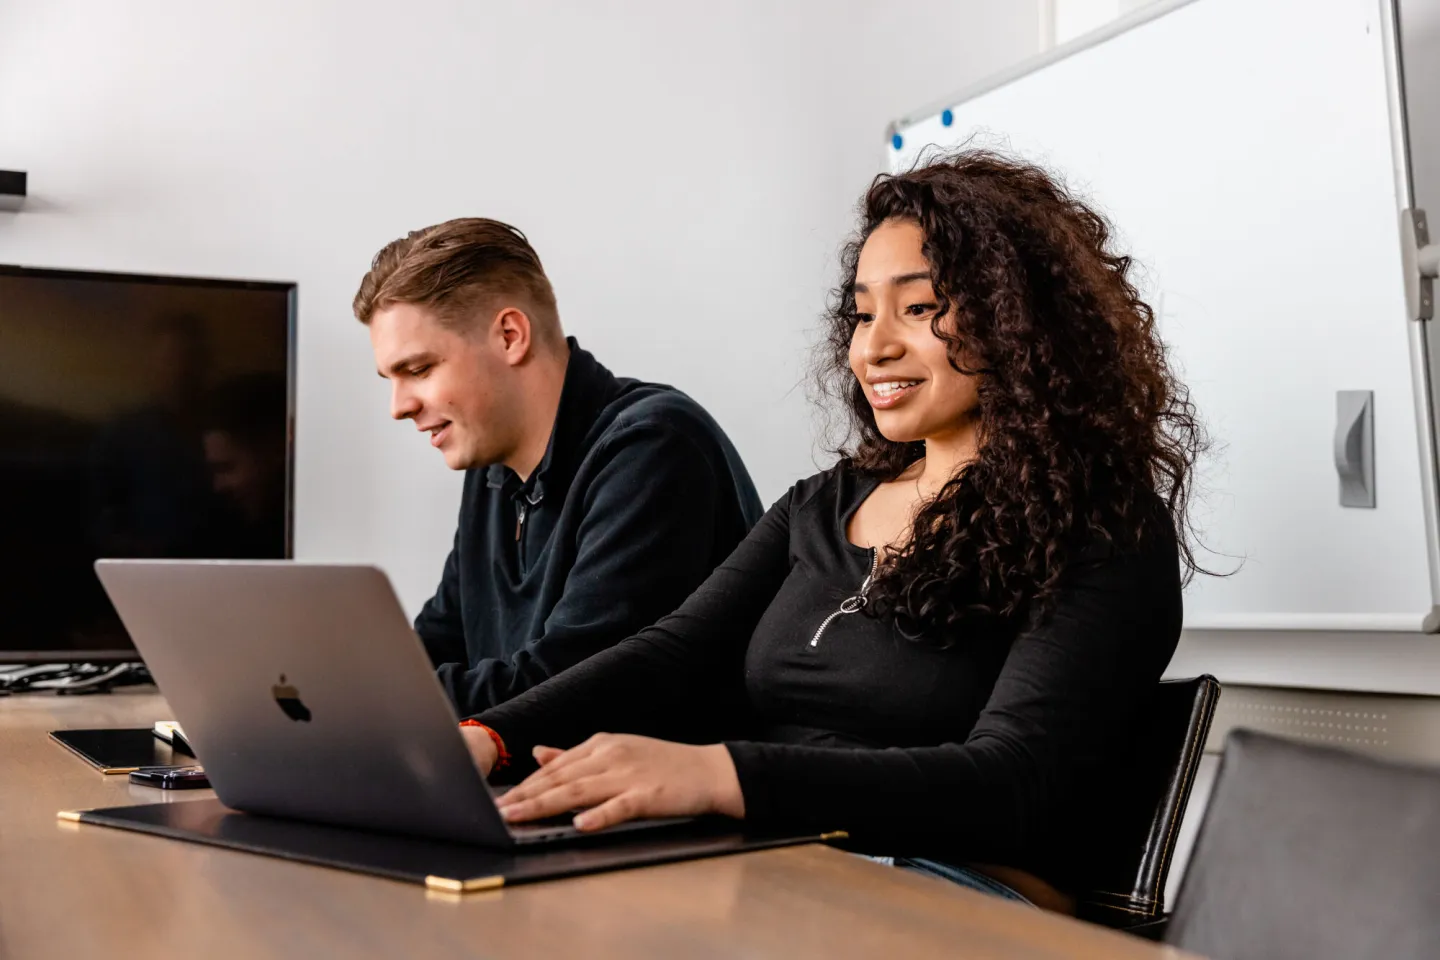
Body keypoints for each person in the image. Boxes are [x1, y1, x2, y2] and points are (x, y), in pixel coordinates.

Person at [456, 152, 1203, 909]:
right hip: (779, 865)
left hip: (957, 897)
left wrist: (725, 776)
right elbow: (672, 652)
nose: (873, 346)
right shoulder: (824, 503)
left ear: (1018, 320)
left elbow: (1011, 781)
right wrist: (489, 737)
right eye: (862, 312)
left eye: (919, 309)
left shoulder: (1100, 524)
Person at [355, 218, 763, 716]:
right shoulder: (491, 471)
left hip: (651, 792)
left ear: (510, 336)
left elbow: (569, 688)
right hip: (522, 786)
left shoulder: (654, 448)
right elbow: (439, 644)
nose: (398, 406)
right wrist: (329, 690)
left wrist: (360, 697)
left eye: (418, 370)